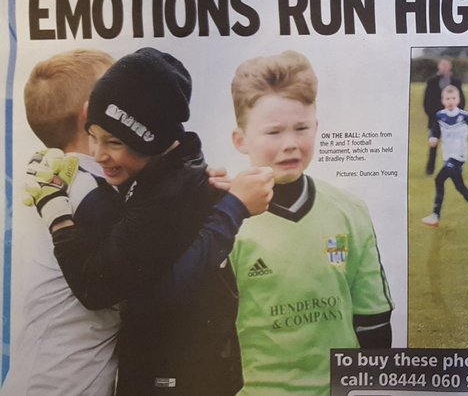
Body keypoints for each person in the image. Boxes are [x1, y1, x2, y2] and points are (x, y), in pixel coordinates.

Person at [40, 48, 274, 396]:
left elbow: (96, 289)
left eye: (114, 142)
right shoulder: (174, 171)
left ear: (151, 141)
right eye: (93, 135)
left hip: (176, 377)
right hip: (193, 367)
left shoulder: (166, 196)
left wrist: (55, 211)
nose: (98, 153)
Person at [227, 51, 393, 394]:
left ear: (316, 127)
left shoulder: (349, 210)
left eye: (301, 128)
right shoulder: (223, 224)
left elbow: (373, 321)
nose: (290, 144)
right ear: (240, 140)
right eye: (273, 132)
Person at [3, 50, 119, 396]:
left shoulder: (49, 179)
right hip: (67, 384)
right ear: (90, 114)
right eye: (116, 94)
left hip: (41, 376)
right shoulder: (86, 186)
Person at [421, 85, 468, 227]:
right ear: (443, 100)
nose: (450, 101)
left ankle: (435, 215)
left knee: (439, 180)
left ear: (458, 99)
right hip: (448, 156)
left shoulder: (464, 116)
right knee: (460, 187)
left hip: (459, 156)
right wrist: (432, 137)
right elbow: (434, 130)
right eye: (447, 98)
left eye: (453, 98)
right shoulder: (440, 116)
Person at [422, 59, 463, 176]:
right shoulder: (432, 82)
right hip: (435, 120)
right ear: (438, 67)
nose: (444, 68)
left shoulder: (456, 82)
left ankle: (453, 169)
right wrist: (433, 116)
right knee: (433, 145)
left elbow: (462, 100)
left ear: (450, 68)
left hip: (452, 120)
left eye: (446, 66)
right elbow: (426, 102)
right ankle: (430, 170)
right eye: (442, 66)